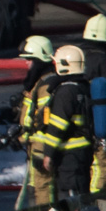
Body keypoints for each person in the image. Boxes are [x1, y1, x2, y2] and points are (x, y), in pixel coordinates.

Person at [39, 45, 93, 198]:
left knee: (72, 194)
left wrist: (48, 154)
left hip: (70, 154)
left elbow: (57, 126)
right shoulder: (83, 87)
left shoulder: (65, 92)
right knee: (82, 188)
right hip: (84, 150)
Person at [15, 35, 57, 209]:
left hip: (42, 144)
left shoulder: (46, 86)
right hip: (35, 145)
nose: (26, 64)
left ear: (39, 60)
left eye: (30, 60)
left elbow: (45, 118)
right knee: (37, 187)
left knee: (43, 187)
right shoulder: (38, 84)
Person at [79, 14, 106, 193]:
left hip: (76, 123)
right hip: (98, 124)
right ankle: (95, 200)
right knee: (102, 165)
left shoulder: (76, 54)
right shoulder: (102, 60)